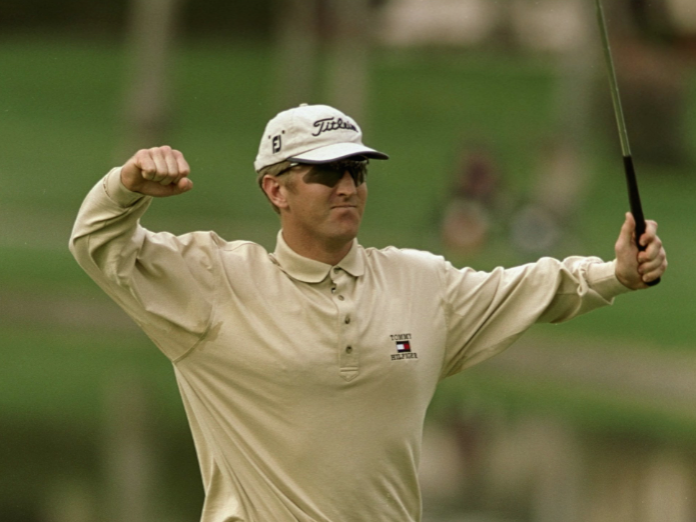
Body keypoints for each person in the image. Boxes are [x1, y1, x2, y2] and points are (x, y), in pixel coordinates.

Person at [69, 103, 667, 522]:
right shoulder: (212, 280)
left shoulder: (419, 282)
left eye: (355, 171)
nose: (348, 187)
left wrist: (614, 275)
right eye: (326, 172)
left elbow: (531, 285)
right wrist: (127, 187)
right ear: (275, 190)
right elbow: (98, 244)